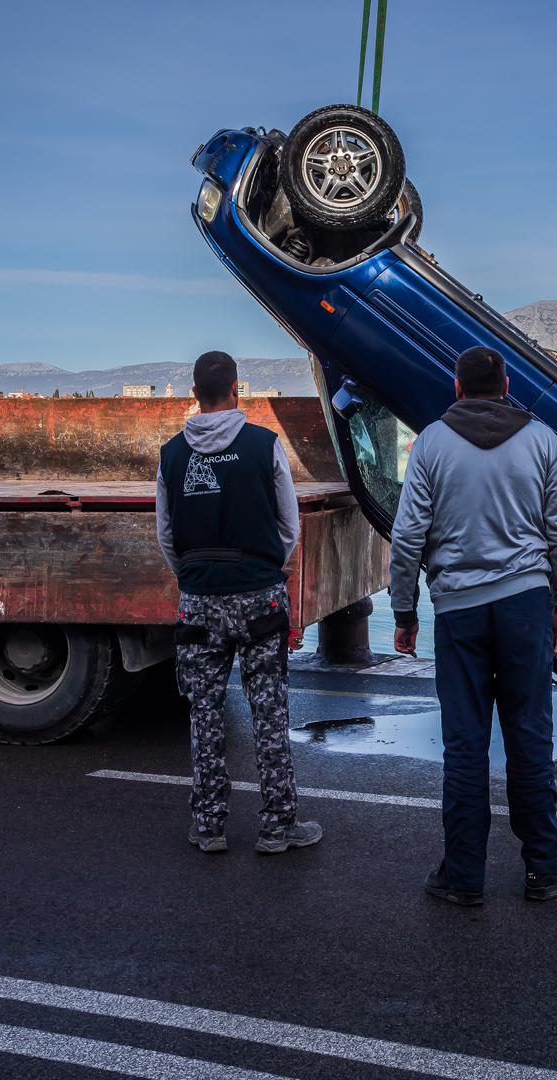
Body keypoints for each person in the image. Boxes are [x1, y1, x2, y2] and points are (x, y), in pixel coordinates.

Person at [390, 346, 557, 905]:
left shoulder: (429, 443)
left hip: (457, 612)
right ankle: (546, 869)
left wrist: (405, 611)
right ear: (506, 386)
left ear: (457, 388)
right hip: (525, 607)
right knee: (529, 739)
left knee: (466, 745)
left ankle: (463, 876)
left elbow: (408, 537)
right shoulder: (542, 440)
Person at [156, 351, 321, 855]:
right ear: (236, 389)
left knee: (203, 710)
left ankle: (209, 825)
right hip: (257, 595)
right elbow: (289, 526)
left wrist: (193, 574)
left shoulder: (171, 455)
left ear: (194, 396)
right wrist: (266, 566)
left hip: (199, 599)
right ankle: (276, 826)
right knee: (268, 709)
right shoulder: (263, 446)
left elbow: (165, 534)